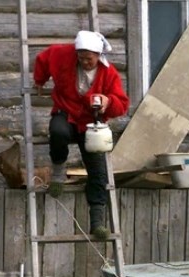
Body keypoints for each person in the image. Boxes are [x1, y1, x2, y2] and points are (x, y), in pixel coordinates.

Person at [33, 30, 130, 239]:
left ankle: (97, 221)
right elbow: (44, 58)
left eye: (89, 59)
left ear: (98, 56)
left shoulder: (109, 73)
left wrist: (108, 102)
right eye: (81, 57)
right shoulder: (63, 55)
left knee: (98, 171)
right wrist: (40, 80)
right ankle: (58, 171)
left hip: (91, 123)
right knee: (57, 132)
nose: (85, 62)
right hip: (65, 112)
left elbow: (122, 104)